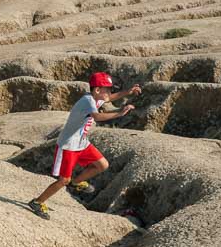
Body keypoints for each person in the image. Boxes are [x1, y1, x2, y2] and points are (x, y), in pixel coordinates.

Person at [28, 72, 141, 220]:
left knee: (102, 165)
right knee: (63, 180)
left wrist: (127, 92)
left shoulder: (96, 98)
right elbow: (98, 117)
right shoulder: (88, 101)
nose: (110, 92)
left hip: (81, 143)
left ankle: (76, 182)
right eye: (107, 89)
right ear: (97, 90)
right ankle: (37, 202)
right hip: (68, 146)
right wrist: (119, 113)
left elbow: (109, 98)